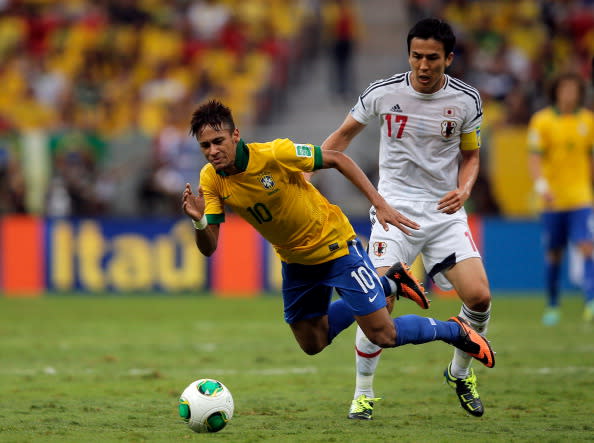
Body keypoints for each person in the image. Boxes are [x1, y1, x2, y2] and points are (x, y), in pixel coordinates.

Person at [181, 100, 495, 409]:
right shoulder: (211, 179)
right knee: (312, 343)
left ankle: (456, 330)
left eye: (218, 141)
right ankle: (389, 282)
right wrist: (198, 221)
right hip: (296, 262)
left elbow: (337, 159)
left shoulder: (275, 154)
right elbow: (210, 248)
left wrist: (380, 202)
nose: (212, 151)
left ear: (236, 135)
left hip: (335, 248)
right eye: (205, 146)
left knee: (383, 333)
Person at [321, 18, 492, 418]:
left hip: (444, 214)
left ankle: (459, 372)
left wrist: (464, 189)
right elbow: (341, 138)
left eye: (433, 57)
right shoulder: (383, 93)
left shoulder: (467, 101)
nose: (423, 65)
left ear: (448, 59)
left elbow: (471, 156)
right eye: (416, 56)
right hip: (393, 210)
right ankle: (362, 393)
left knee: (480, 298)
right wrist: (305, 169)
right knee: (377, 303)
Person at [527, 72, 594, 325]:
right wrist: (541, 185)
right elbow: (534, 158)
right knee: (554, 253)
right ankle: (553, 305)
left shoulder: (588, 120)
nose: (569, 94)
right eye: (564, 89)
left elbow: (590, 159)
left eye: (573, 89)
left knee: (587, 246)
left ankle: (591, 301)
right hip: (552, 199)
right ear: (556, 91)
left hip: (580, 197)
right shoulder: (542, 121)